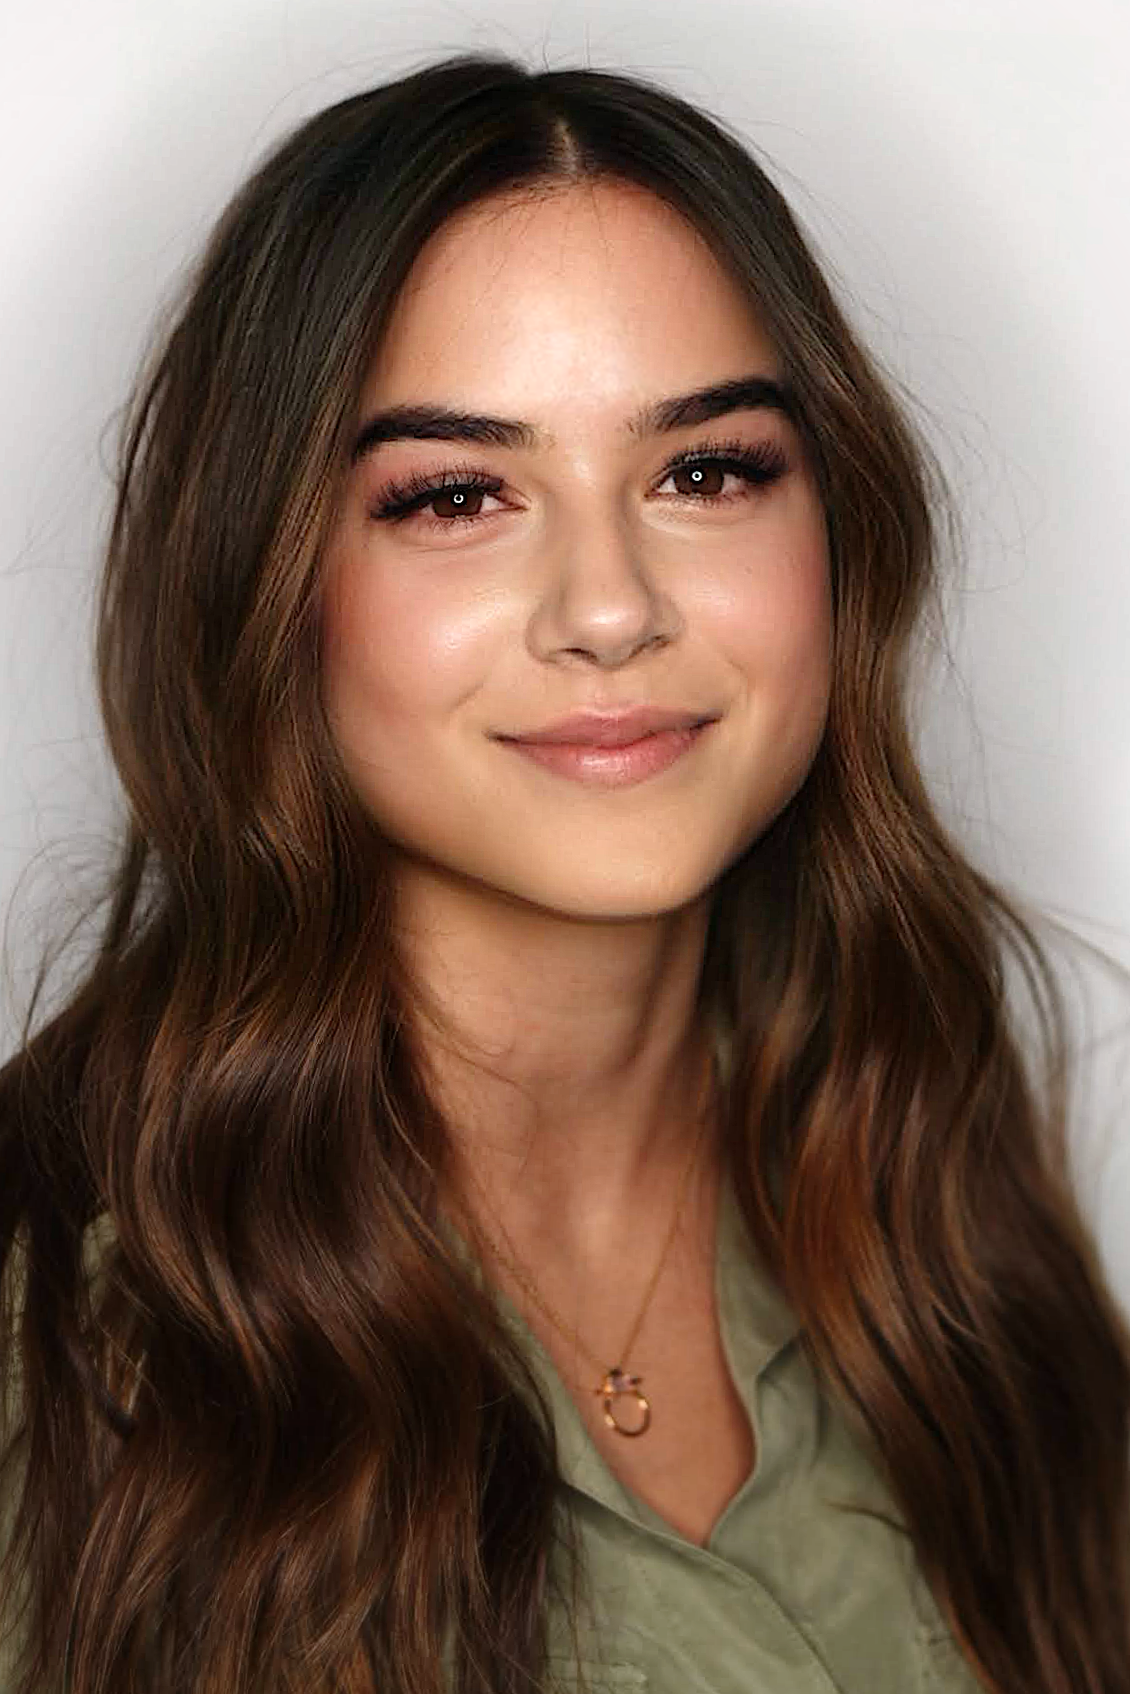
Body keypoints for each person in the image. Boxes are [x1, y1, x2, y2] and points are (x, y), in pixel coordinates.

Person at [0, 51, 1128, 1694]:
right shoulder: (58, 1332)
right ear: (262, 581)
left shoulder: (931, 1183)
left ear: (840, 528)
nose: (607, 607)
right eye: (457, 494)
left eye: (704, 470)